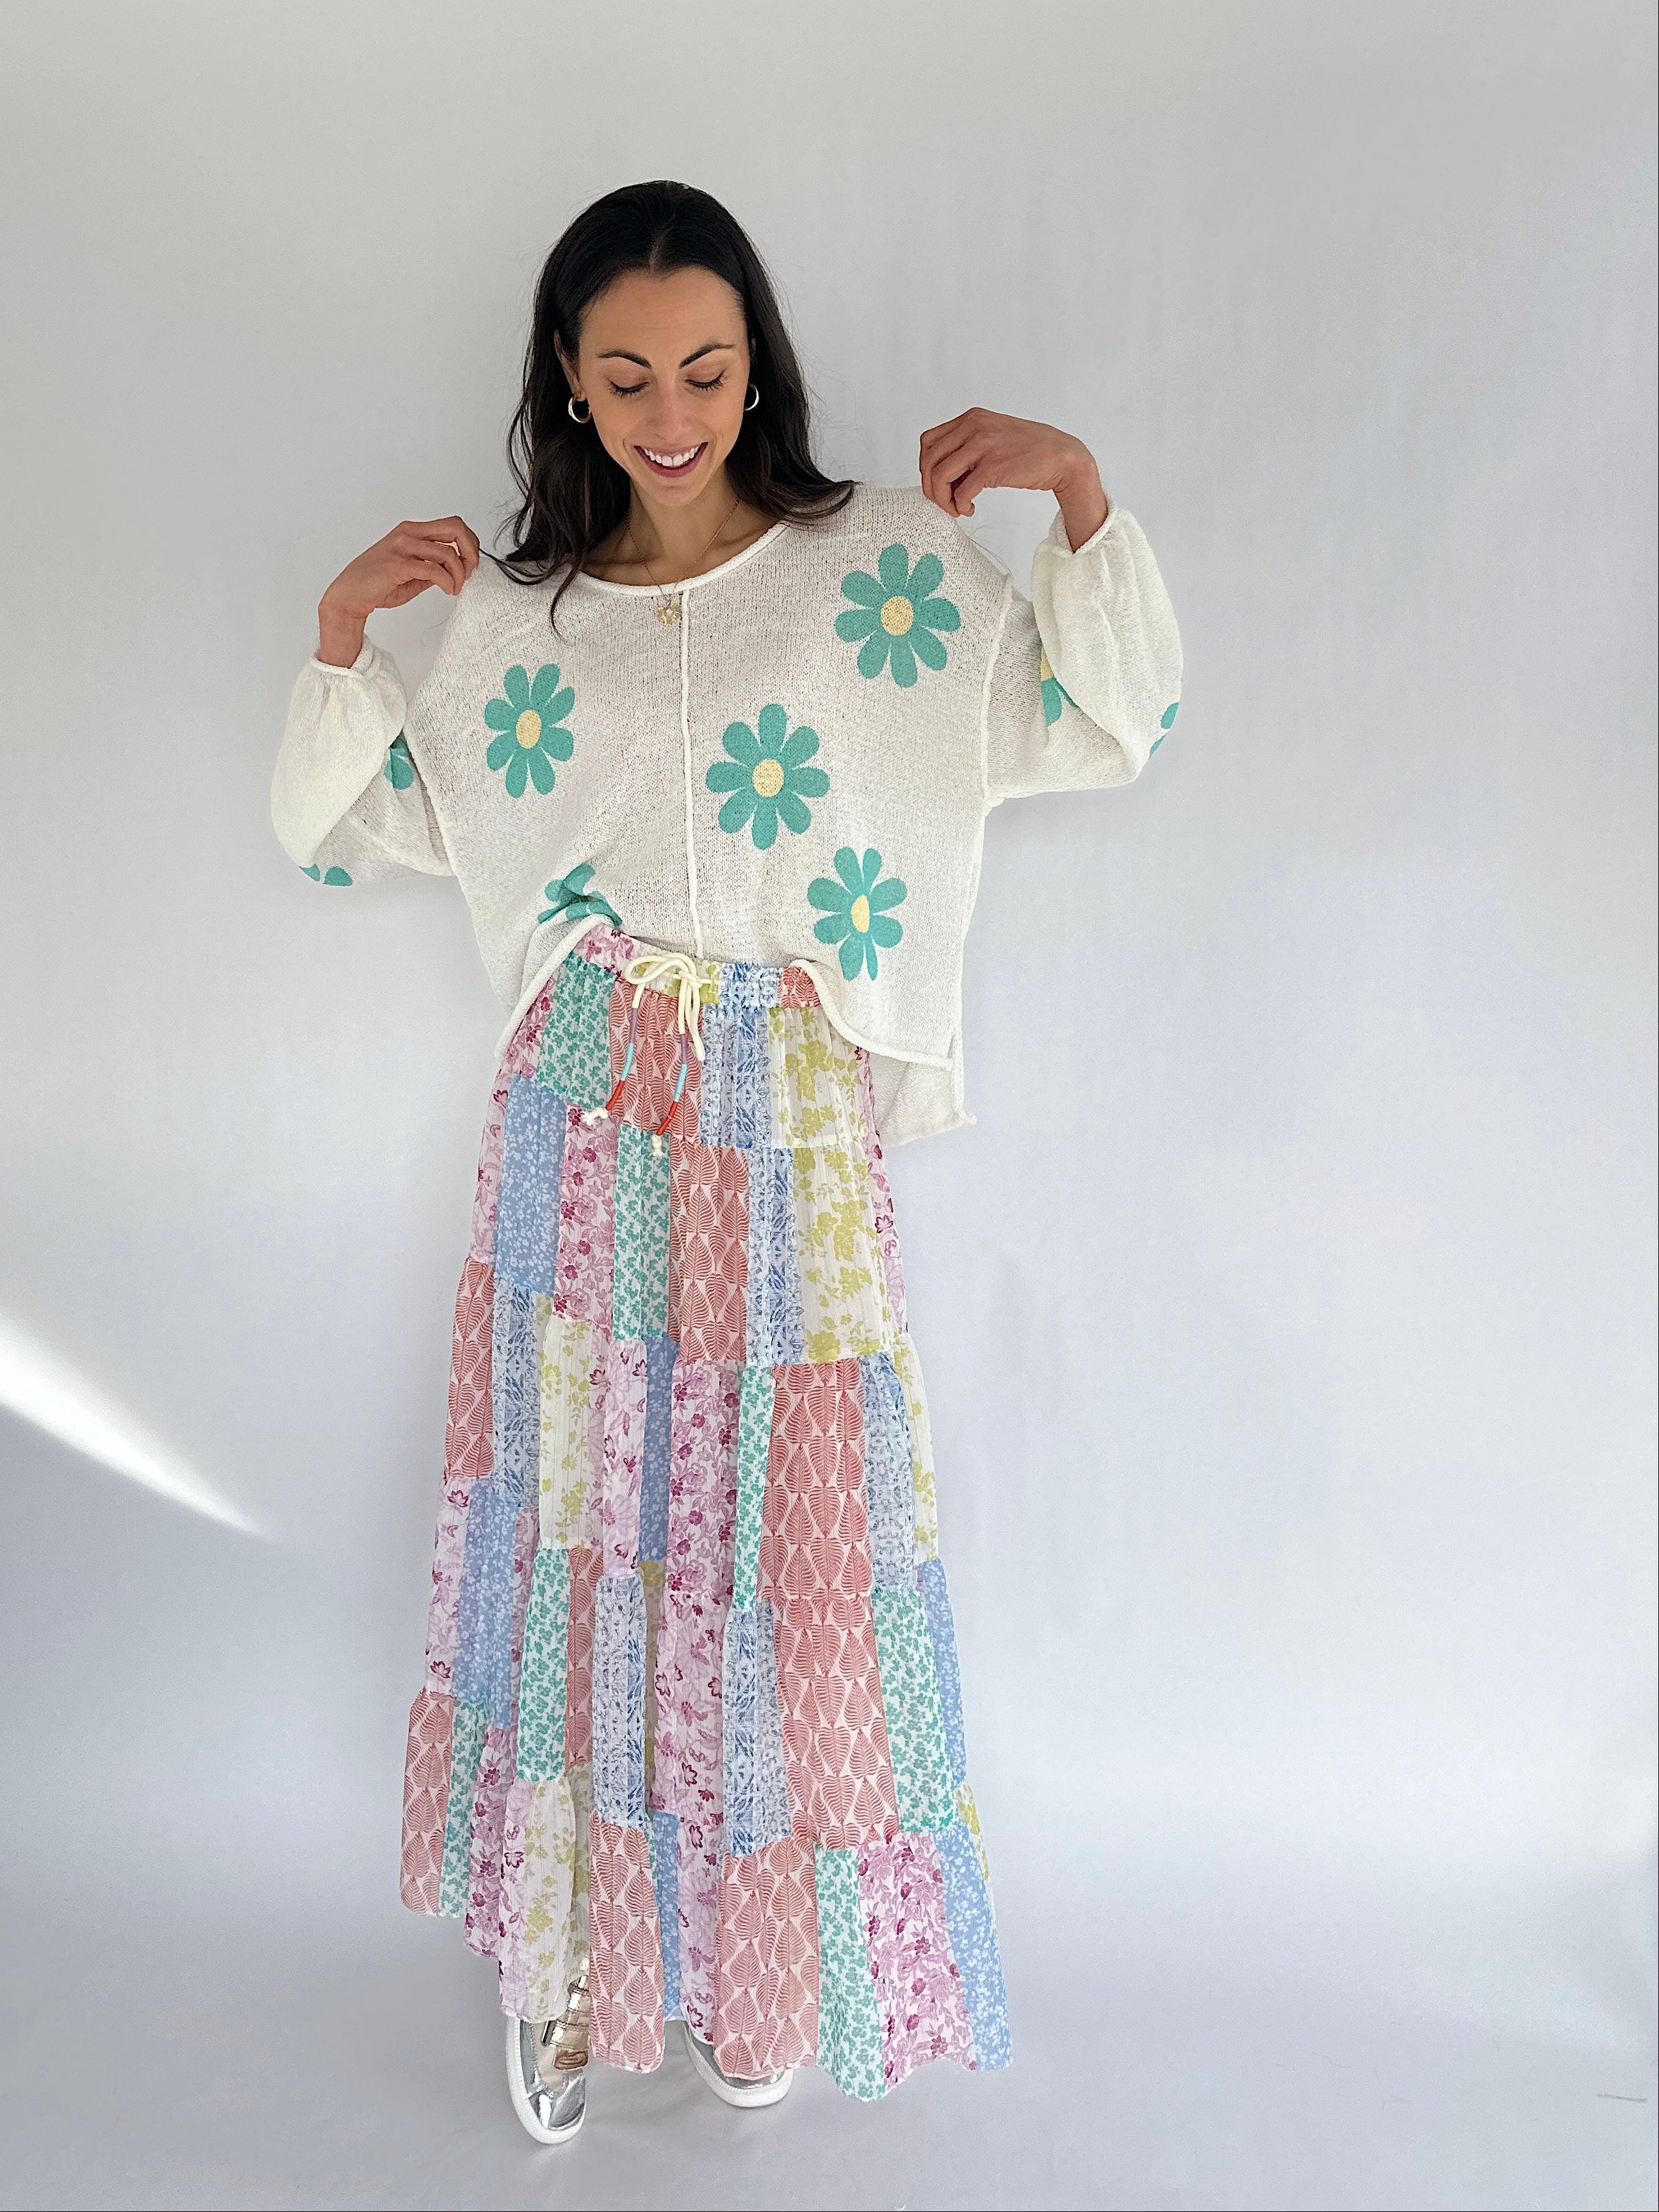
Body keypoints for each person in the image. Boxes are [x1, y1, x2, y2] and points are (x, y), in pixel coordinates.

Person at [271, 179, 1181, 2146]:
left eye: (703, 364)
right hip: (584, 1114)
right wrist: (345, 637)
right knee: (588, 1533)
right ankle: (580, 1963)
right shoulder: (525, 622)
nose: (670, 408)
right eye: (625, 375)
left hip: (788, 1113)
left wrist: (1081, 495)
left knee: (785, 1545)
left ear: (752, 362)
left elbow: (1116, 718)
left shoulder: (885, 586)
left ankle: (751, 1953)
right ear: (570, 392)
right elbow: (350, 831)